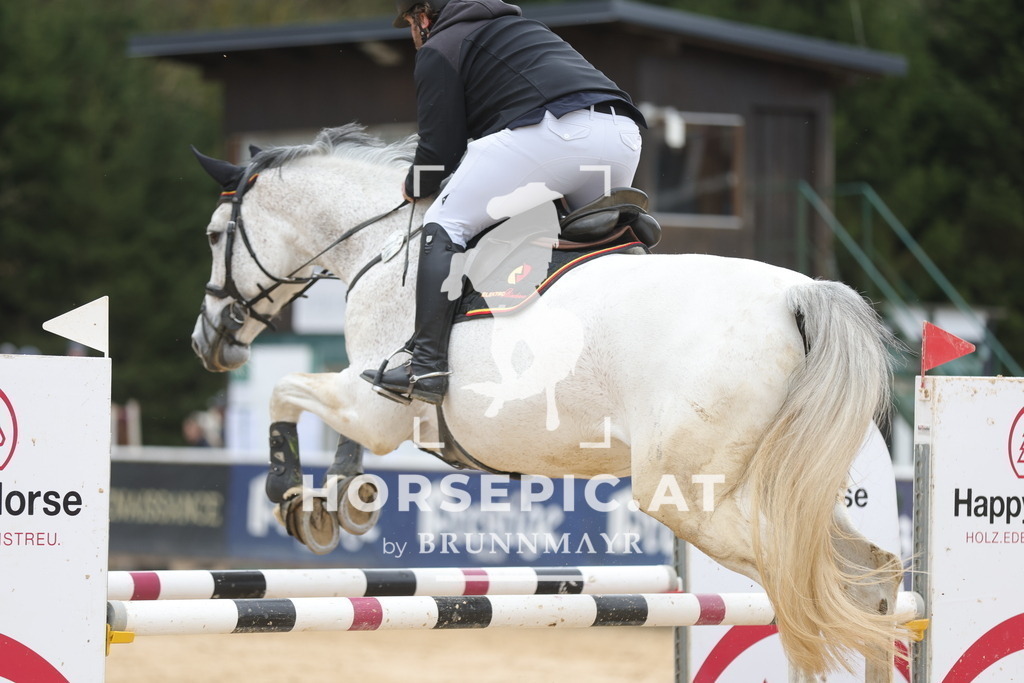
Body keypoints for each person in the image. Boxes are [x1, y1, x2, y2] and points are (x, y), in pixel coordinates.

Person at [362, 0, 646, 404]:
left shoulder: (441, 46)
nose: (411, 34)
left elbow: (440, 151)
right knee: (589, 243)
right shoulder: (527, 31)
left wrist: (415, 184)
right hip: (623, 136)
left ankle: (425, 365)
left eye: (409, 23)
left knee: (447, 222)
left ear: (423, 17)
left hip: (555, 135)